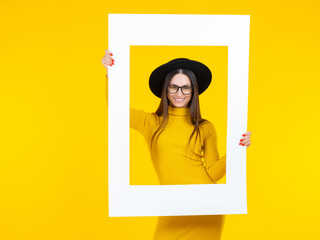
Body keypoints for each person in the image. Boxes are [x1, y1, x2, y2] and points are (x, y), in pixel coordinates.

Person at [101, 49, 252, 240]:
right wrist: (110, 73)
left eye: (186, 88)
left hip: (207, 207)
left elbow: (213, 173)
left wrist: (239, 151)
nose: (179, 93)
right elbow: (117, 109)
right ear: (165, 89)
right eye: (173, 87)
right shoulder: (152, 123)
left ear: (194, 91)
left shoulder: (205, 127)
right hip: (172, 207)